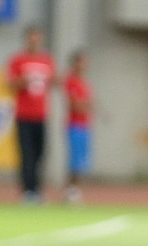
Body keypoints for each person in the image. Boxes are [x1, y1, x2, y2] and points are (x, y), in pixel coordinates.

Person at [6, 26, 57, 204]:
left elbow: (53, 81)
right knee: (26, 154)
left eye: (38, 38)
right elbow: (10, 85)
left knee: (40, 154)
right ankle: (27, 190)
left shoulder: (47, 60)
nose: (35, 41)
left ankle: (37, 189)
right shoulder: (17, 61)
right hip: (24, 115)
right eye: (31, 38)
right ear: (26, 39)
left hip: (41, 115)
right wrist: (24, 80)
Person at [64, 50, 94, 204]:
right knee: (75, 160)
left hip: (84, 125)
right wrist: (86, 105)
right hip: (75, 125)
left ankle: (74, 189)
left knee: (82, 161)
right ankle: (71, 189)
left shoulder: (84, 82)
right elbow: (76, 105)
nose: (84, 65)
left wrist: (87, 106)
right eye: (81, 62)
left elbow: (89, 104)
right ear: (75, 63)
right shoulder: (72, 81)